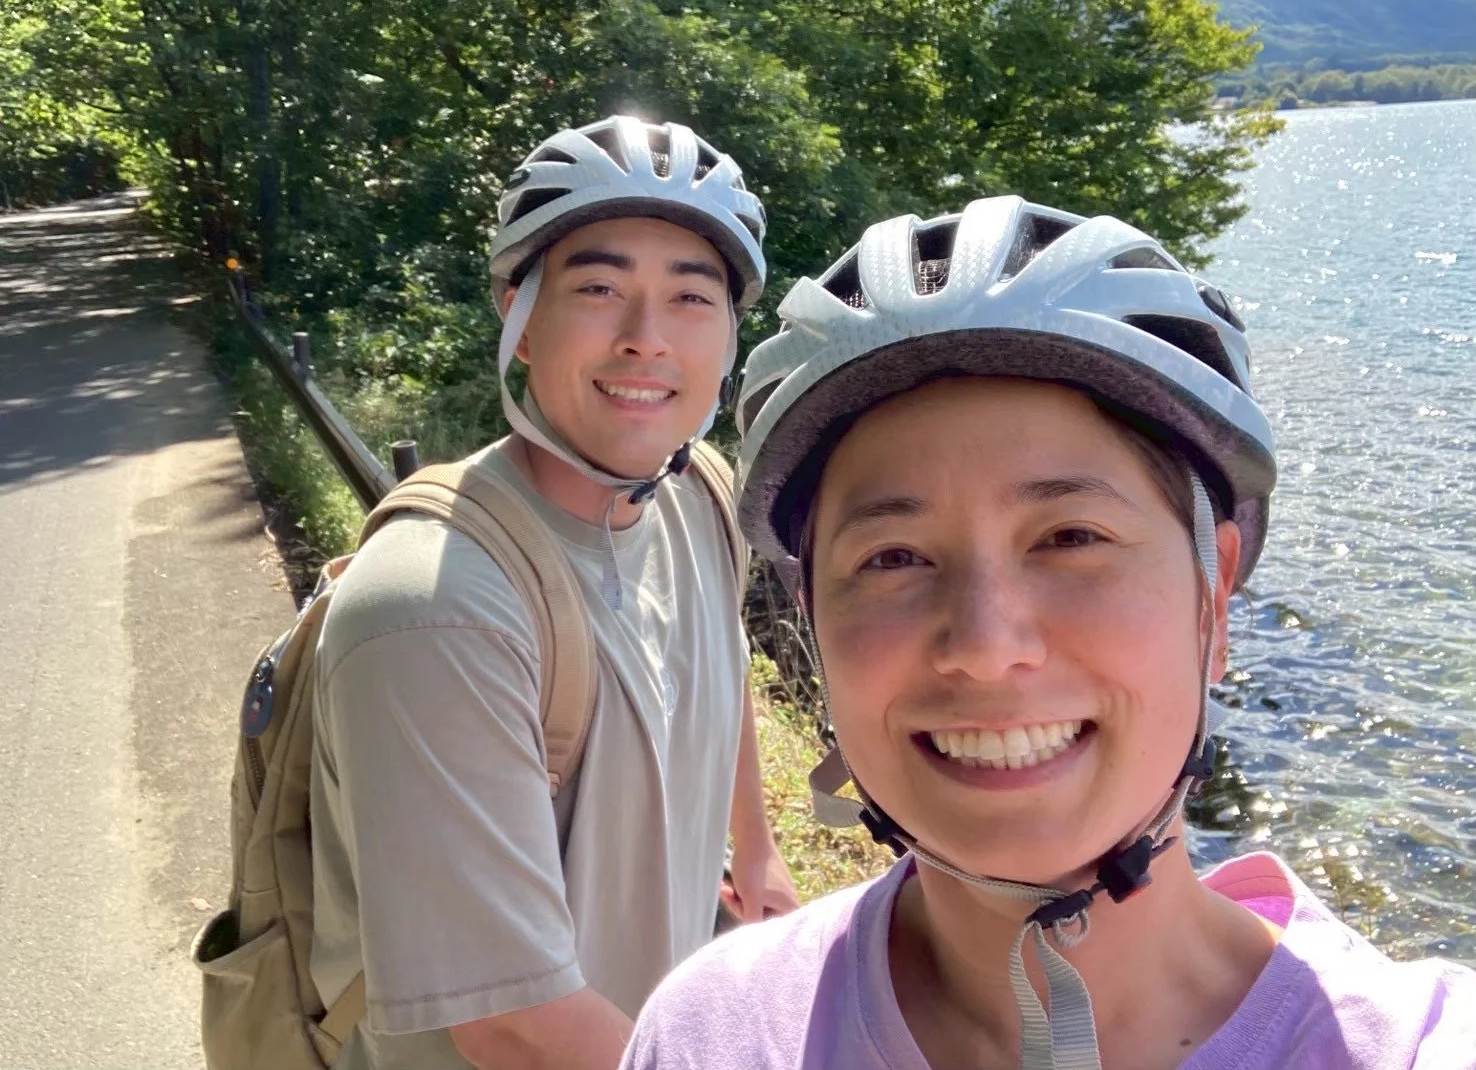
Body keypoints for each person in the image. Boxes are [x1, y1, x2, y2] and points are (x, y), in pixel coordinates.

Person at [617, 196, 1476, 1069]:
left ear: (1213, 602)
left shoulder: (1415, 1045)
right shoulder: (711, 1033)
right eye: (895, 557)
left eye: (1072, 539)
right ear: (813, 625)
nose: (988, 648)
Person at [308, 115, 799, 1070]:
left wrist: (757, 845)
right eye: (599, 288)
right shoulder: (434, 609)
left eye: (692, 297)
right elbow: (519, 1028)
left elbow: (721, 667)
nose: (645, 339)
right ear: (518, 316)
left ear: (732, 332)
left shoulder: (700, 494)